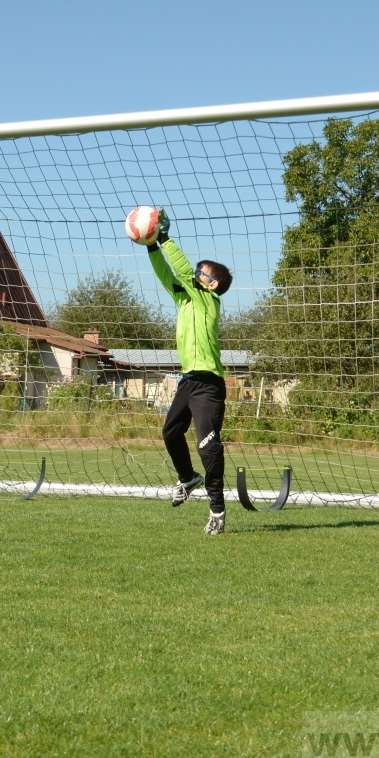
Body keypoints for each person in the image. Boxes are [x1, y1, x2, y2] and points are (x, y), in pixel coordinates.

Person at [142, 209, 233, 535]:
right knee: (170, 432)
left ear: (212, 283)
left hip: (209, 385)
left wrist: (163, 236)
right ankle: (187, 477)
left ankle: (217, 511)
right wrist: (152, 246)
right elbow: (166, 273)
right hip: (188, 381)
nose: (194, 273)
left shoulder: (209, 301)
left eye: (200, 272)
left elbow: (179, 269)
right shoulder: (186, 300)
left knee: (208, 446)